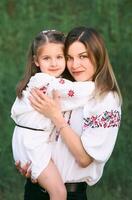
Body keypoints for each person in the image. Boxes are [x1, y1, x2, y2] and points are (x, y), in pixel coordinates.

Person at [16, 26, 122, 200]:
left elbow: (84, 159)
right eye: (69, 58)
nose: (75, 65)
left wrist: (56, 117)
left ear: (98, 55)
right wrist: (32, 163)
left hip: (69, 194)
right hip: (36, 189)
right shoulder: (61, 87)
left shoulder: (105, 99)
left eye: (83, 56)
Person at [11, 29, 95, 200]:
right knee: (58, 193)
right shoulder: (46, 82)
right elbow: (76, 93)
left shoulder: (40, 81)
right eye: (46, 58)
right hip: (33, 143)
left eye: (59, 57)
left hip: (27, 140)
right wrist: (99, 84)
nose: (54, 63)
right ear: (36, 61)